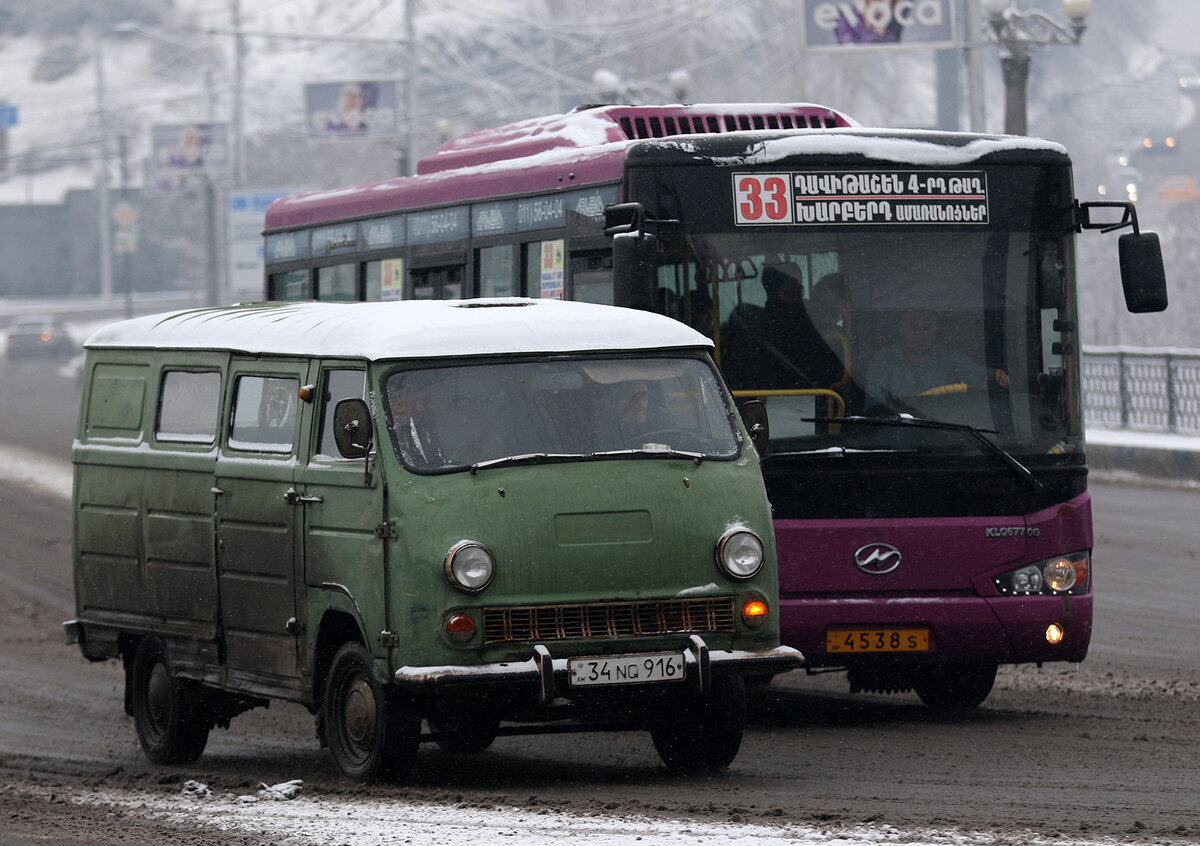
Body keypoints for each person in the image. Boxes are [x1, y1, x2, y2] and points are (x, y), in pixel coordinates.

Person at [865, 309, 1009, 411]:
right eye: (912, 327)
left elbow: (980, 377)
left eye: (926, 327)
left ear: (936, 329)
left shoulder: (951, 359)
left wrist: (996, 375)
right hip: (899, 432)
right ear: (901, 329)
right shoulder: (883, 360)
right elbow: (874, 408)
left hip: (944, 430)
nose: (920, 333)